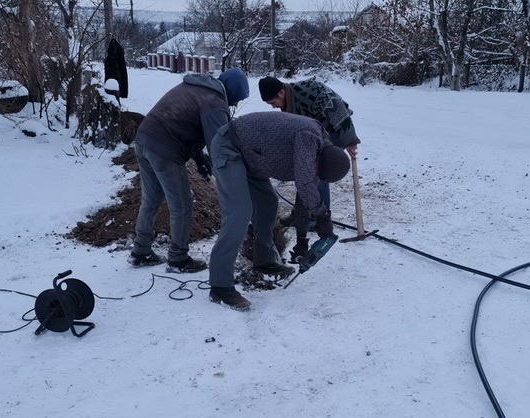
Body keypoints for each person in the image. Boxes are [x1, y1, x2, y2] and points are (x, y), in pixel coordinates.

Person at [207, 112, 351, 310]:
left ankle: (264, 260)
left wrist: (302, 240)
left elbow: (304, 194)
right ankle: (220, 286)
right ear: (320, 159)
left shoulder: (321, 153)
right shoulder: (308, 137)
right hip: (230, 147)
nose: (315, 173)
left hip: (253, 159)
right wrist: (323, 216)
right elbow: (304, 182)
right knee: (239, 212)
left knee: (268, 204)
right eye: (316, 170)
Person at [129, 68, 249, 273]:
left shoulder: (195, 86)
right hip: (165, 149)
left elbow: (185, 124)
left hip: (143, 141)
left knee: (150, 200)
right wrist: (231, 174)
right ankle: (178, 258)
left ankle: (141, 251)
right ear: (232, 91)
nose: (234, 105)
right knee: (182, 205)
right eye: (236, 100)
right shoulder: (214, 102)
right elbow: (218, 144)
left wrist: (200, 159)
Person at [258, 76, 361, 260]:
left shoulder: (310, 91)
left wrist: (350, 140)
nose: (273, 106)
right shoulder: (287, 103)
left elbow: (337, 110)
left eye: (273, 102)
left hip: (334, 129)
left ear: (282, 92)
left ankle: (319, 219)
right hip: (314, 132)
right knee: (304, 171)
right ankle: (303, 214)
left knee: (317, 173)